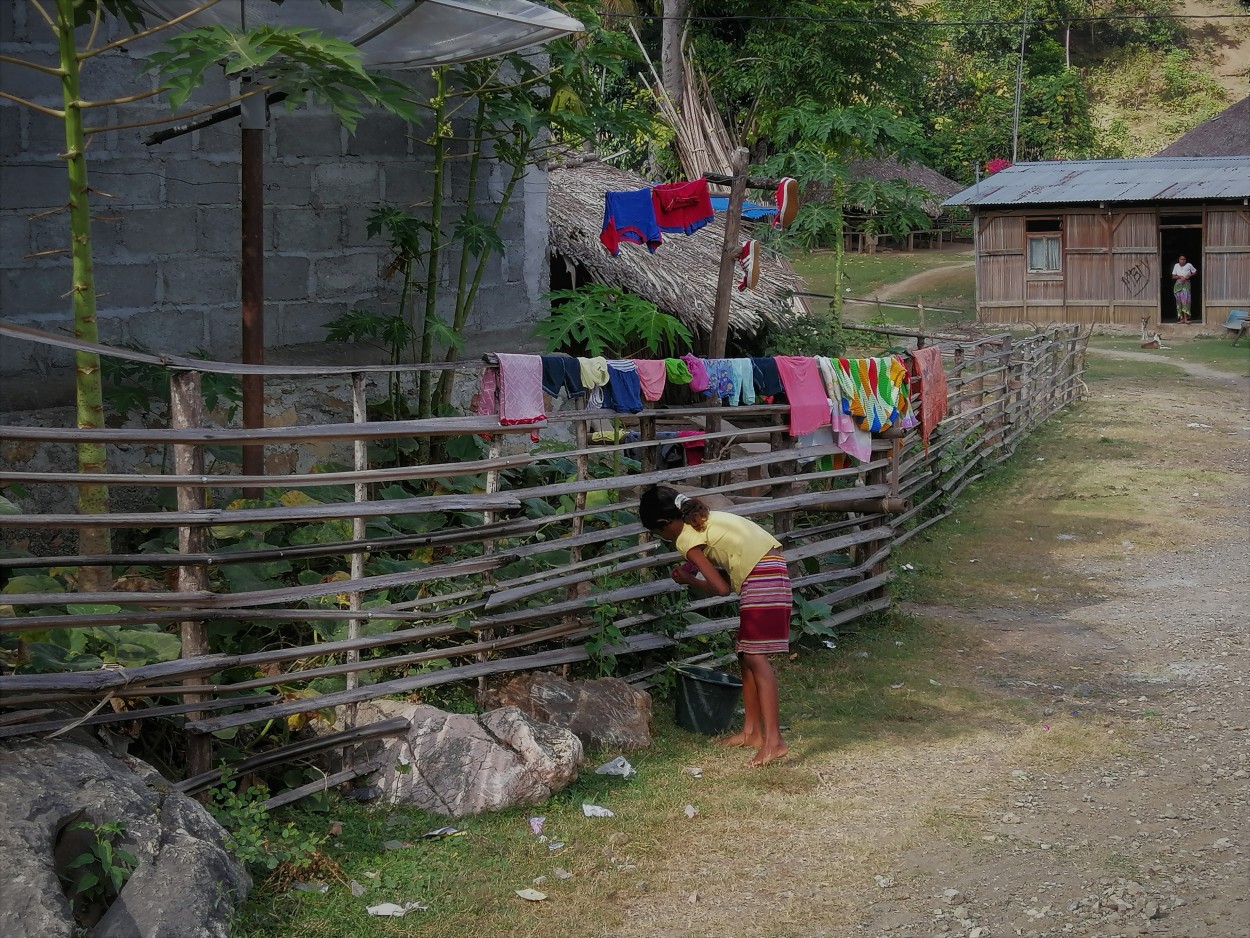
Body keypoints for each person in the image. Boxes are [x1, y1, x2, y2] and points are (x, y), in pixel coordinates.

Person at [639, 485, 792, 766]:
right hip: (770, 569)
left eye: (658, 533)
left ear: (664, 524)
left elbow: (721, 588)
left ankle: (774, 741)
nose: (662, 538)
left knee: (756, 657)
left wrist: (689, 580)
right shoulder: (703, 519)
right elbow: (730, 558)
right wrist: (694, 570)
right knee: (746, 654)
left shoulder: (685, 539)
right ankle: (751, 732)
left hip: (761, 577)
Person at [1172, 255, 1197, 324]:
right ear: (1179, 260)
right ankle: (1181, 319)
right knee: (1179, 302)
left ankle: (1186, 319)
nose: (1183, 260)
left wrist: (1189, 275)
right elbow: (1173, 276)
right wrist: (1180, 277)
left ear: (1186, 260)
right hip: (1178, 285)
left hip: (1186, 284)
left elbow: (1195, 272)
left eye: (1184, 259)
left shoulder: (1189, 265)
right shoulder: (1176, 266)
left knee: (1185, 301)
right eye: (1181, 259)